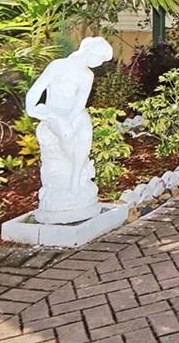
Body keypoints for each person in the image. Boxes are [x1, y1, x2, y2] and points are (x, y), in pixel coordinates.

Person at [23, 36, 114, 223]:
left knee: (85, 131)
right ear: (88, 50)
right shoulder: (58, 66)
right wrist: (33, 109)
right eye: (99, 58)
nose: (99, 64)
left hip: (74, 113)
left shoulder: (87, 75)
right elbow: (35, 91)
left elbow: (80, 103)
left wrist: (70, 120)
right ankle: (80, 169)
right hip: (53, 113)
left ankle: (76, 178)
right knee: (65, 133)